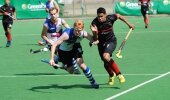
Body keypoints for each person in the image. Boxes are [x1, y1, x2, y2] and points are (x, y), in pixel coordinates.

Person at [90, 7, 134, 86]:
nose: (99, 18)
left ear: (105, 15)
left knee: (106, 56)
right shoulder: (94, 23)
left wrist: (129, 24)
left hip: (111, 41)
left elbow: (119, 15)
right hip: (101, 44)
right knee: (105, 63)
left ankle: (119, 74)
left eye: (101, 16)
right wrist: (95, 33)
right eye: (98, 16)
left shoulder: (110, 18)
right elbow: (95, 39)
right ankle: (111, 75)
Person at [49, 19, 99, 89]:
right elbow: (54, 45)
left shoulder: (83, 33)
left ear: (82, 29)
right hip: (64, 51)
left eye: (79, 30)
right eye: (76, 30)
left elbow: (94, 40)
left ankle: (93, 82)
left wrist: (95, 34)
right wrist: (51, 59)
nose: (77, 32)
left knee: (81, 64)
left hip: (75, 47)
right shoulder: (66, 35)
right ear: (73, 27)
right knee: (71, 71)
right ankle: (58, 58)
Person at [41, 7, 80, 74]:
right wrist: (49, 41)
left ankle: (58, 61)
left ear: (57, 13)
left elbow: (70, 29)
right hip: (52, 44)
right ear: (49, 15)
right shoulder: (46, 24)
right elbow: (43, 35)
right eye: (51, 14)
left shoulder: (61, 21)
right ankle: (58, 61)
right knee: (61, 59)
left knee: (66, 54)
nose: (53, 16)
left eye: (54, 14)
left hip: (61, 42)